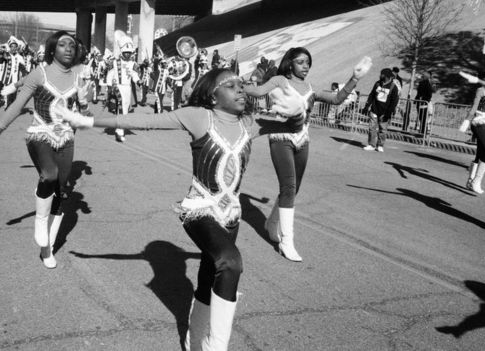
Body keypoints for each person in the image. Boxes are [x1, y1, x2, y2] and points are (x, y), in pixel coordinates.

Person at [56, 68, 312, 351]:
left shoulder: (250, 123)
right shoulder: (199, 116)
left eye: (241, 84)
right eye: (229, 85)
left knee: (207, 280)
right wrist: (87, 120)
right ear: (213, 96)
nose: (240, 89)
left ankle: (193, 339)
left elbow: (293, 128)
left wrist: (299, 112)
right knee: (230, 261)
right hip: (199, 209)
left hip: (231, 216)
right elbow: (145, 120)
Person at [243, 47, 372, 262]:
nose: (306, 66)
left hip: (302, 140)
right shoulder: (278, 81)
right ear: (290, 63)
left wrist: (354, 78)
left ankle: (271, 223)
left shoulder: (311, 88)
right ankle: (287, 241)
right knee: (289, 186)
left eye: (308, 62)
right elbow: (257, 92)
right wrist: (233, 84)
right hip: (280, 138)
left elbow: (337, 99)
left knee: (295, 188)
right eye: (301, 62)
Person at [0, 31, 91, 269]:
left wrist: (85, 107)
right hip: (39, 134)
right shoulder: (40, 73)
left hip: (66, 137)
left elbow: (83, 110)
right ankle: (41, 223)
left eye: (72, 45)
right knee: (48, 175)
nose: (68, 48)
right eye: (62, 44)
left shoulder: (80, 75)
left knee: (60, 190)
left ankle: (47, 247)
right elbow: (16, 108)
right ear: (52, 50)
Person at [460, 75, 485, 194]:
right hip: (477, 122)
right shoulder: (480, 91)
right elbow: (474, 108)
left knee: (481, 153)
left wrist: (477, 80)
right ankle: (476, 181)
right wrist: (466, 121)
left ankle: (470, 180)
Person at [362, 68, 400, 152]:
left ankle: (380, 145)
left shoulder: (393, 87)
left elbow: (394, 101)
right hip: (374, 109)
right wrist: (366, 106)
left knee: (382, 130)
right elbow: (372, 95)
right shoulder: (377, 83)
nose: (380, 75)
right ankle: (371, 144)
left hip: (385, 112)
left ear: (386, 76)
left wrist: (389, 112)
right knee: (372, 128)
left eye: (382, 74)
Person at [415, 71, 433, 135]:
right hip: (422, 102)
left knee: (422, 118)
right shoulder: (427, 84)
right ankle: (422, 131)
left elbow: (426, 94)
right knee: (422, 118)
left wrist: (420, 99)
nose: (422, 77)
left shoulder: (425, 84)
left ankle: (422, 132)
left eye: (423, 76)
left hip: (422, 103)